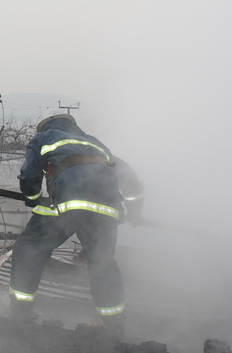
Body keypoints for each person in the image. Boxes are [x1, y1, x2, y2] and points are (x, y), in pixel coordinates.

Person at [9, 114, 143, 336]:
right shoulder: (96, 144)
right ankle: (114, 328)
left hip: (68, 204)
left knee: (29, 248)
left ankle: (20, 314)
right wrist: (135, 212)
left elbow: (29, 176)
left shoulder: (43, 138)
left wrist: (32, 199)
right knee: (103, 263)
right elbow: (131, 181)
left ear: (43, 128)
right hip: (106, 211)